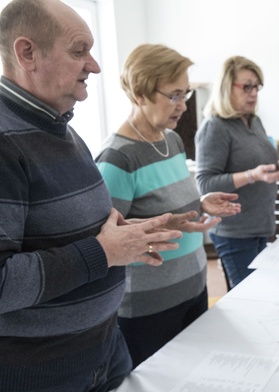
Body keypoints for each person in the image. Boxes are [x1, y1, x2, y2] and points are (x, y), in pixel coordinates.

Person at [0, 1, 184, 391]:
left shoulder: (59, 128)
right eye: (79, 50)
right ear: (27, 53)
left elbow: (74, 233)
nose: (95, 65)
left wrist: (128, 236)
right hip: (42, 374)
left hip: (103, 350)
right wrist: (104, 252)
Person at [95, 44, 241, 369]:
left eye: (185, 94)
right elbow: (107, 243)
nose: (183, 106)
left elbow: (167, 209)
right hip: (149, 308)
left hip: (192, 289)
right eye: (174, 95)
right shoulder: (118, 158)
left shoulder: (170, 140)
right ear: (140, 92)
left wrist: (201, 202)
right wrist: (166, 226)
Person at [196, 56, 279, 288]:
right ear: (226, 87)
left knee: (261, 293)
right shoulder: (215, 127)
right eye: (246, 86)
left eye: (256, 86)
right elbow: (206, 185)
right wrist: (252, 176)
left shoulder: (253, 121)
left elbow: (259, 167)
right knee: (247, 299)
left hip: (260, 225)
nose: (253, 92)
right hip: (234, 232)